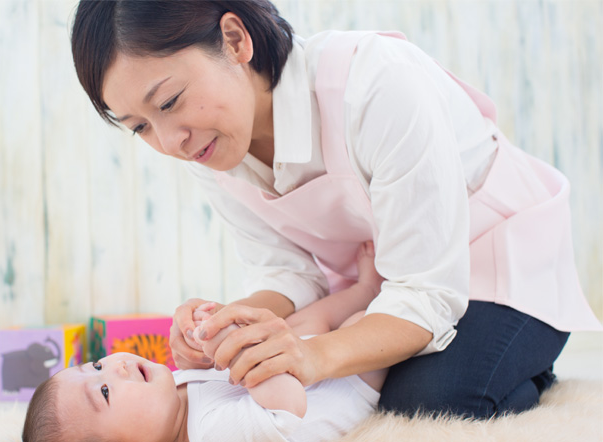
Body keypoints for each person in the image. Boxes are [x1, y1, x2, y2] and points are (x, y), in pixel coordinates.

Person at [69, 0, 602, 419]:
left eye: (168, 102)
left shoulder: (376, 86)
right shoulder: (205, 144)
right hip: (386, 283)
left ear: (234, 40)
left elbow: (427, 292)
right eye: (139, 126)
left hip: (501, 266)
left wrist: (315, 355)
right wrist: (234, 323)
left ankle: (528, 367)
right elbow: (290, 271)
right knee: (330, 390)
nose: (169, 141)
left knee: (426, 404)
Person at [22, 244, 386, 442]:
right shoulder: (210, 439)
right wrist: (226, 343)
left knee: (305, 320)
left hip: (294, 361)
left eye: (96, 364)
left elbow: (217, 377)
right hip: (344, 383)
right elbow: (285, 405)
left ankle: (364, 286)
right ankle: (377, 301)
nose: (114, 367)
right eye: (103, 391)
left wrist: (204, 340)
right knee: (361, 323)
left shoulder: (166, 399)